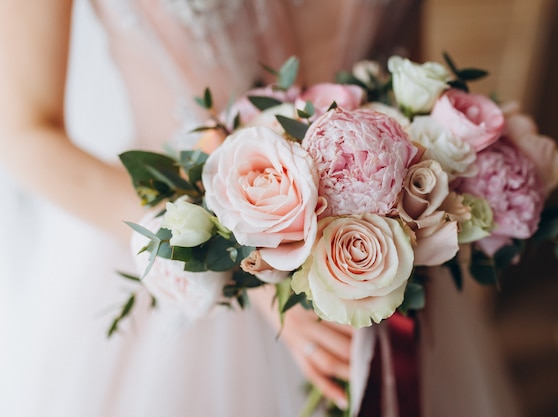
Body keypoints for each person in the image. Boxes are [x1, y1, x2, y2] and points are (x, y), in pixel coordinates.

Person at [0, 0, 521, 416]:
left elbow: (406, 84)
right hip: (185, 268)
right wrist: (230, 256)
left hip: (375, 252)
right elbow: (23, 133)